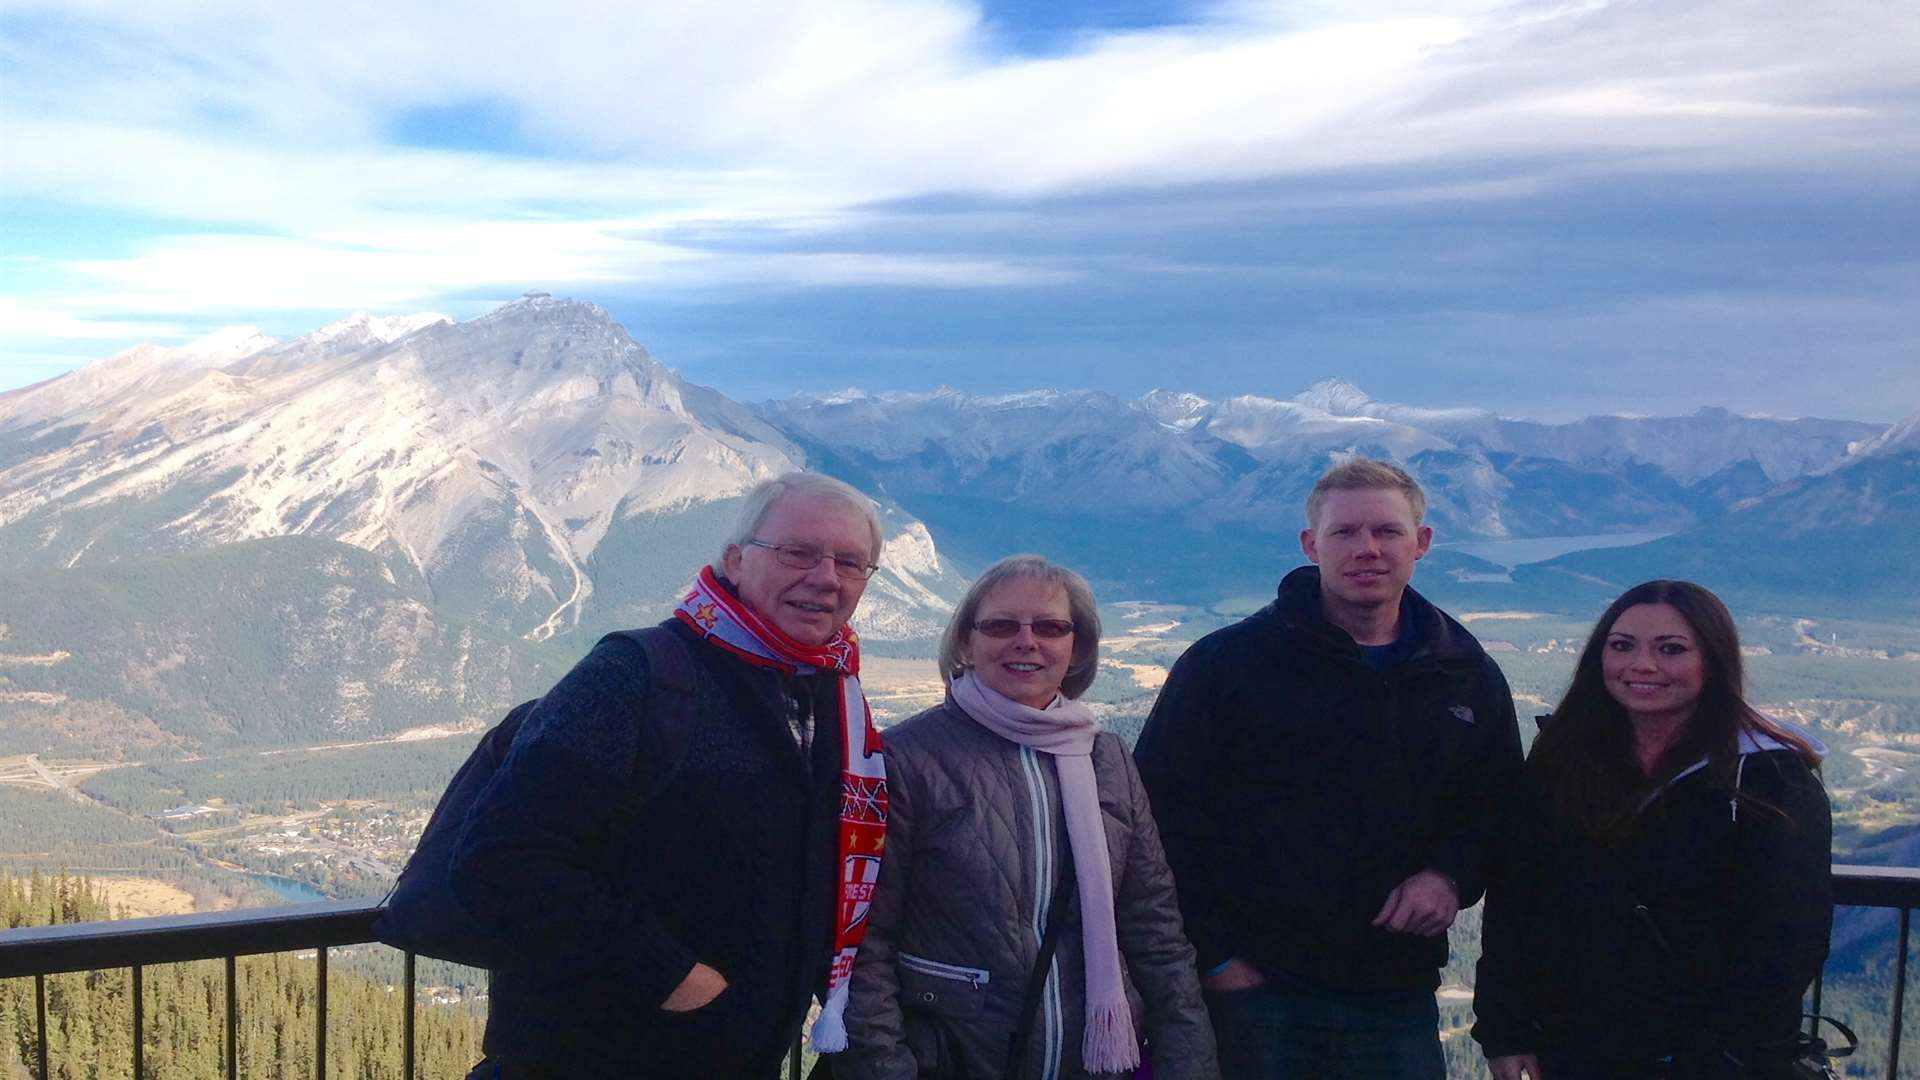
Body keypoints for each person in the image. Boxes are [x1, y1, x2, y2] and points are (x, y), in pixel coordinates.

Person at [447, 472, 889, 1079]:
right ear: (735, 561)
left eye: (851, 563)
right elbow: (498, 859)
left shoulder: (833, 699)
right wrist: (678, 979)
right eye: (799, 553)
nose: (826, 578)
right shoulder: (637, 675)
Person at [1133, 456, 1522, 1079]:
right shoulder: (1228, 666)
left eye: (1386, 531)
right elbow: (1155, 817)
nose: (1366, 548)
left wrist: (1450, 876)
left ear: (1420, 543)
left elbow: (1496, 809)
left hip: (1396, 993)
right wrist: (1217, 958)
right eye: (1344, 533)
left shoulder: (1464, 673)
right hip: (1256, 995)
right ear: (1311, 545)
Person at [840, 554, 1219, 1080]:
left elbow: (1155, 931)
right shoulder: (905, 759)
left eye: (1050, 627)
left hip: (1095, 1063)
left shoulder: (1106, 759)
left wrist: (1189, 1066)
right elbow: (864, 946)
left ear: (1076, 646)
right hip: (956, 1057)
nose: (1027, 640)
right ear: (966, 642)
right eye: (1000, 625)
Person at [1472, 580, 1832, 1080]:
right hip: (1576, 1049)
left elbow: (1787, 938)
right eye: (1622, 646)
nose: (1642, 665)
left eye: (1671, 649)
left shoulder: (1767, 777)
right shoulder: (1562, 760)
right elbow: (1516, 900)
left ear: (1714, 660)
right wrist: (1504, 1030)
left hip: (1710, 1061)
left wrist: (1726, 1059)